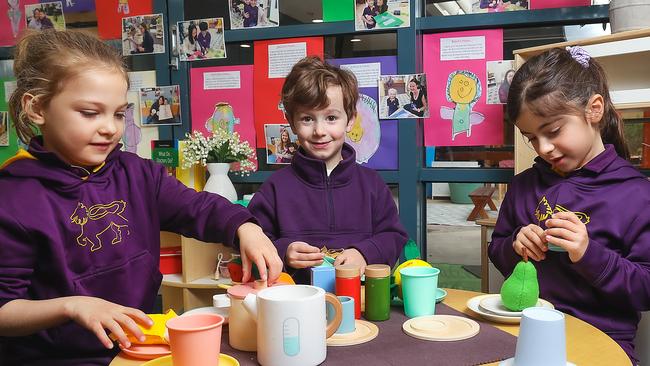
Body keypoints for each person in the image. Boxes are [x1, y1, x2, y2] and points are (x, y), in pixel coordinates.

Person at [0, 30, 282, 365]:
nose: (110, 128)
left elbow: (198, 207)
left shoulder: (139, 174)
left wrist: (246, 228)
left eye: (119, 113)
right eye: (91, 113)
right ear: (36, 108)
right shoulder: (13, 197)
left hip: (136, 350)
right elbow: (4, 310)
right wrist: (71, 305)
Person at [487, 46, 650, 365]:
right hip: (521, 332)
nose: (543, 147)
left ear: (594, 109)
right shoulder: (523, 185)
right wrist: (515, 246)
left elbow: (646, 289)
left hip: (601, 340)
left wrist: (590, 255)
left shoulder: (637, 195)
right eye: (531, 138)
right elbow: (498, 251)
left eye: (553, 131)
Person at [248, 56, 408, 283]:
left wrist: (364, 253)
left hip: (360, 300)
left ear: (350, 120)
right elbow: (254, 240)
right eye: (307, 119)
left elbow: (394, 236)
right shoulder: (274, 189)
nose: (319, 131)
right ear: (291, 123)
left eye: (331, 117)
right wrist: (283, 250)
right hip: (293, 302)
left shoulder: (372, 185)